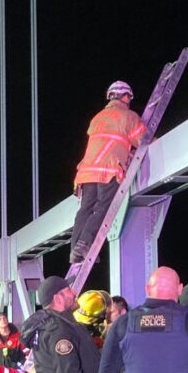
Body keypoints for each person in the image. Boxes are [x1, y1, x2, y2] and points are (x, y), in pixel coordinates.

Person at [69, 80, 147, 264]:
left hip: (87, 172)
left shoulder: (97, 117)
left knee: (85, 209)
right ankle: (85, 243)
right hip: (108, 169)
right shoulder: (128, 116)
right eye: (129, 97)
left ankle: (74, 249)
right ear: (125, 96)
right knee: (102, 207)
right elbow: (143, 141)